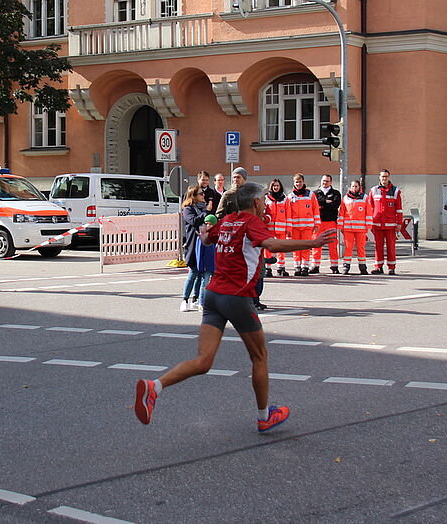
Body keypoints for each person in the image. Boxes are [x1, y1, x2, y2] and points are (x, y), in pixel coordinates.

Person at [133, 182, 336, 432]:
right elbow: (272, 245)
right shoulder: (252, 222)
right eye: (263, 199)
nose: (265, 204)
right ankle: (264, 416)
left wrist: (205, 233)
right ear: (256, 202)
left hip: (212, 295)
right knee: (259, 356)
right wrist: (313, 243)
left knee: (203, 361)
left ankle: (155, 386)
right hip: (236, 297)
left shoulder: (228, 220)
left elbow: (206, 238)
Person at [367, 169, 402, 275]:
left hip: (390, 225)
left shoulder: (395, 191)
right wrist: (369, 221)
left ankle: (391, 268)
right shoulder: (373, 190)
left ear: (389, 177)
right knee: (378, 247)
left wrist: (399, 223)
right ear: (379, 177)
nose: (384, 178)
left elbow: (399, 209)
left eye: (386, 176)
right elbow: (369, 208)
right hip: (377, 224)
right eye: (382, 176)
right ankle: (378, 267)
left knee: (391, 247)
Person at [286, 173, 320, 277]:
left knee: (306, 247)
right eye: (296, 182)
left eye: (300, 182)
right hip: (295, 227)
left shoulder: (311, 195)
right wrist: (289, 227)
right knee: (296, 248)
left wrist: (317, 224)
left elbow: (315, 210)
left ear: (303, 182)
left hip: (307, 227)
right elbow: (288, 213)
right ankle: (297, 267)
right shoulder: (290, 196)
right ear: (294, 183)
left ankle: (305, 267)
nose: (298, 184)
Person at [180, 185, 208, 311]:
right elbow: (193, 221)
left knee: (201, 273)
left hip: (203, 244)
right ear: (194, 196)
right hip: (192, 244)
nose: (203, 195)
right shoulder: (188, 209)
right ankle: (185, 299)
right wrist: (205, 213)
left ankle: (195, 298)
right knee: (193, 272)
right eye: (201, 194)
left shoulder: (204, 207)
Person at [338, 178, 372, 275]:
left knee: (361, 248)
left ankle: (362, 267)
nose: (354, 188)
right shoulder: (345, 198)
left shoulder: (365, 198)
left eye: (356, 186)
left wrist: (368, 225)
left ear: (359, 187)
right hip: (348, 228)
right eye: (352, 186)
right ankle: (346, 267)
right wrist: (340, 225)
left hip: (361, 229)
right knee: (348, 248)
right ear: (350, 187)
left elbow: (368, 212)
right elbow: (341, 213)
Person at [312, 174, 342, 274]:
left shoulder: (336, 193)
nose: (325, 183)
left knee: (333, 245)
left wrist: (322, 204)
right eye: (323, 181)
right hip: (318, 223)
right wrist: (327, 202)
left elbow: (335, 205)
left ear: (331, 182)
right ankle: (315, 266)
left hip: (331, 222)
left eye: (327, 181)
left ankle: (334, 266)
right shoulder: (315, 193)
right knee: (316, 245)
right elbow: (315, 205)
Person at [263, 179, 289, 277]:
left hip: (281, 228)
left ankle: (281, 268)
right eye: (274, 186)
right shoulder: (266, 198)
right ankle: (268, 268)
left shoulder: (285, 198)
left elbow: (288, 214)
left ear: (280, 187)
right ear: (271, 187)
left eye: (277, 185)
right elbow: (263, 212)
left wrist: (288, 229)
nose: (276, 187)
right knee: (267, 249)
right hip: (268, 228)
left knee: (281, 248)